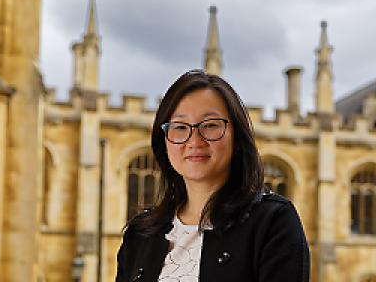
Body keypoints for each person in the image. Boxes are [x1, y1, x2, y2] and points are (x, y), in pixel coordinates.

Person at [116, 69, 310, 281]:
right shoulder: (140, 234)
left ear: (236, 137)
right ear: (164, 141)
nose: (194, 141)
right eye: (180, 127)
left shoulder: (272, 221)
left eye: (210, 126)